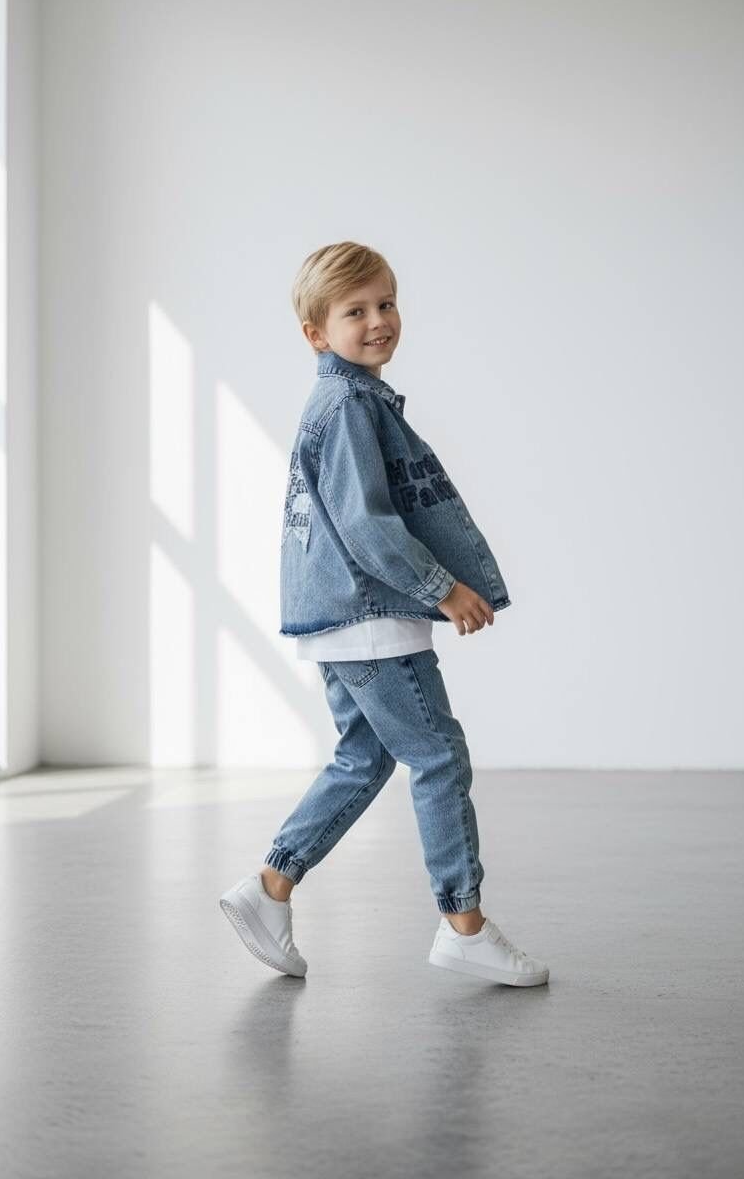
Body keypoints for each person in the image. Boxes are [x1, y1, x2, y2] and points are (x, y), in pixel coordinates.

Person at [219, 241, 549, 987]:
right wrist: (442, 587)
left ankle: (270, 888)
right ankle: (464, 925)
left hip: (343, 619)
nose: (378, 321)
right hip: (369, 616)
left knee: (364, 759)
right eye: (356, 311)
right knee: (438, 755)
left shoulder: (352, 402)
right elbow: (366, 526)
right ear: (316, 332)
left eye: (387, 303)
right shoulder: (346, 407)